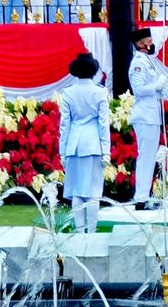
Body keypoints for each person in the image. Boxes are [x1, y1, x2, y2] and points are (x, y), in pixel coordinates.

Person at [59, 53, 111, 233]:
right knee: (93, 192)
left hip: (74, 144)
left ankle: (80, 232)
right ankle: (92, 232)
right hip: (93, 144)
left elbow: (64, 125)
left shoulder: (68, 93)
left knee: (77, 191)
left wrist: (62, 151)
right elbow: (103, 124)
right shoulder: (100, 92)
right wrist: (107, 151)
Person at [128, 27, 167, 211]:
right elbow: (139, 90)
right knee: (146, 157)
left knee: (150, 157)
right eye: (149, 42)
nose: (151, 45)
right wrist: (156, 85)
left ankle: (145, 195)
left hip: (151, 115)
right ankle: (141, 198)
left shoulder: (147, 61)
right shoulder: (138, 63)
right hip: (144, 115)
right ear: (140, 44)